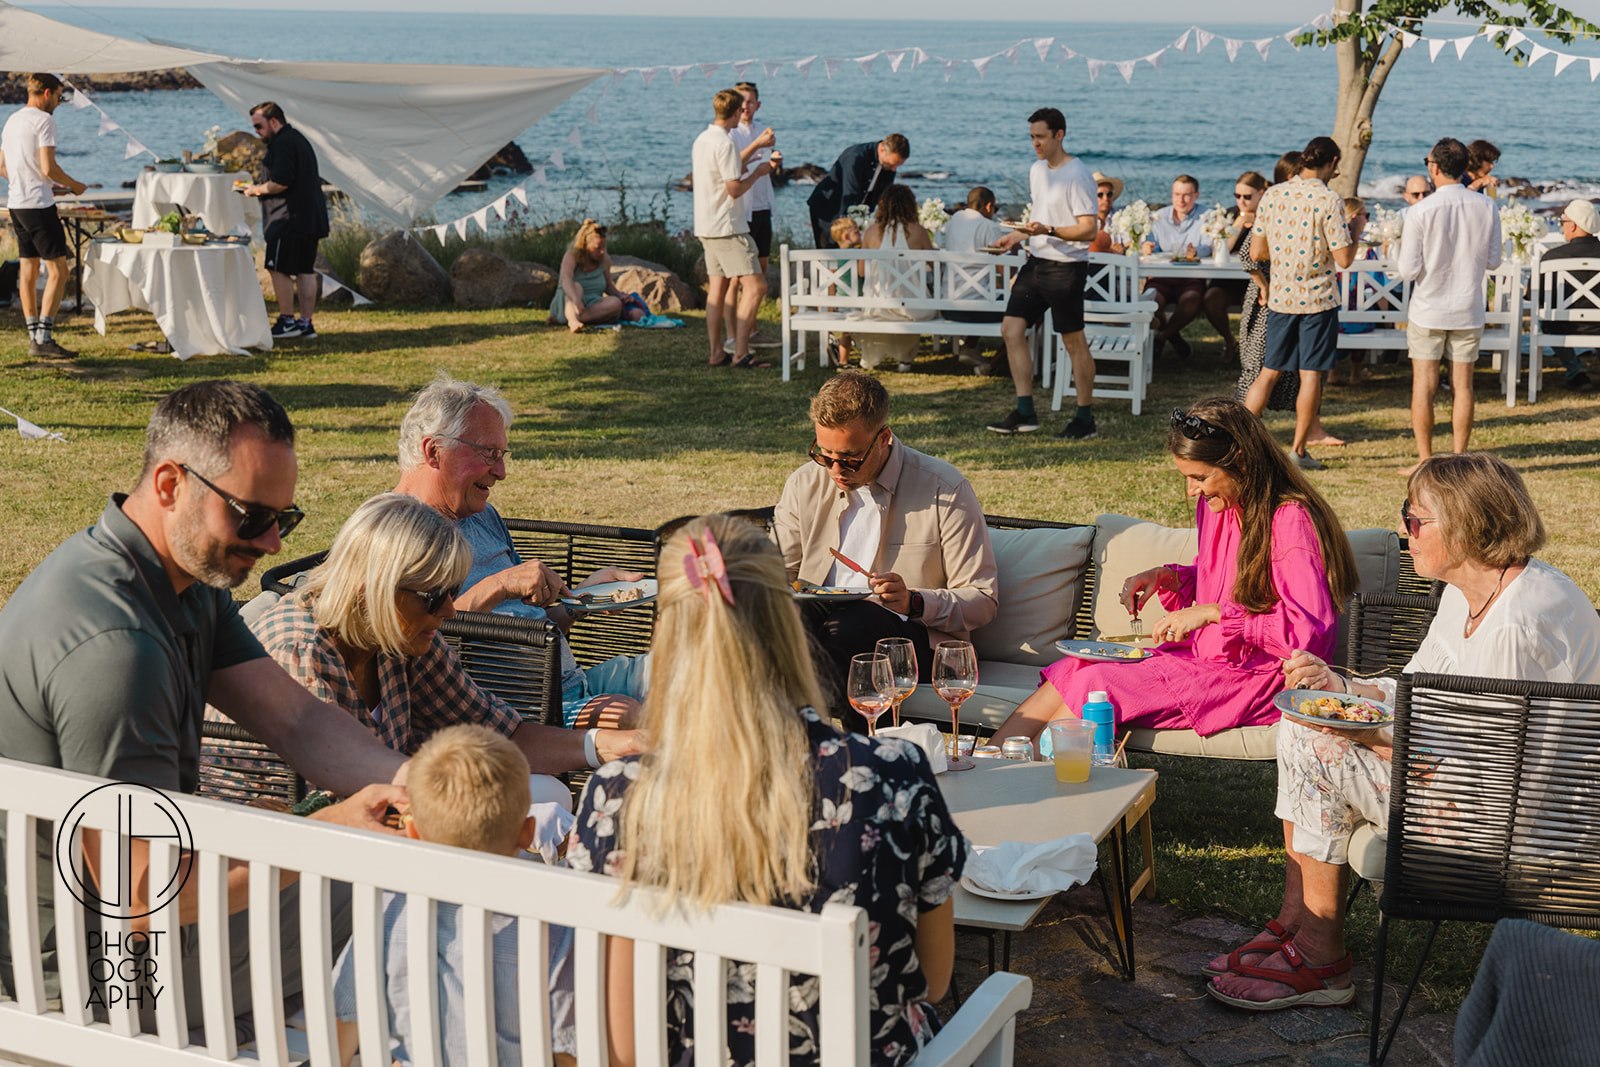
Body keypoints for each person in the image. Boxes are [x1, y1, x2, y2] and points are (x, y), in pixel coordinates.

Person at [0, 380, 408, 1029]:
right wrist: (332, 835)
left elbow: (296, 718)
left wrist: (421, 787)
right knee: (402, 890)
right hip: (96, 981)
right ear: (170, 484)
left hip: (120, 936)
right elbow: (141, 894)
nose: (273, 543)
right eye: (253, 517)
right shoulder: (117, 649)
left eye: (285, 519)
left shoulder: (181, 580)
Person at [567, 513, 967, 1066]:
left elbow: (622, 1044)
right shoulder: (892, 778)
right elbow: (934, 979)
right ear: (788, 624)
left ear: (669, 636)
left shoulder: (616, 800)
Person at [1206, 453, 1600, 1012]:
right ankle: (1303, 928)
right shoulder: (1472, 590)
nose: (1403, 531)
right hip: (1477, 787)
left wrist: (1365, 735)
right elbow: (1421, 691)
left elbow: (1483, 761)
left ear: (1465, 525)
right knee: (1306, 722)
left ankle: (1318, 948)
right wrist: (1341, 686)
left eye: (1415, 520)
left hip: (1517, 824)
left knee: (1312, 740)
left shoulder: (1519, 619)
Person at [989, 397, 1356, 745]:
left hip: (1261, 677)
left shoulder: (1290, 519)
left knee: (1099, 682)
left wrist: (1213, 614)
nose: (1193, 490)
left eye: (1200, 477)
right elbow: (1234, 582)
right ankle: (989, 766)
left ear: (1240, 461)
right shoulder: (1221, 506)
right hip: (1208, 661)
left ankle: (1026, 781)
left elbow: (1307, 634)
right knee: (1077, 667)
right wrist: (1170, 577)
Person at [232, 493, 596, 807]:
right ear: (373, 591)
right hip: (279, 849)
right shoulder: (301, 652)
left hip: (379, 810)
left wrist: (603, 746)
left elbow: (498, 732)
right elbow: (339, 803)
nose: (451, 609)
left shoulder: (399, 631)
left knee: (546, 794)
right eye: (436, 595)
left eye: (453, 590)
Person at [391, 375, 649, 737]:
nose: (501, 472)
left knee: (705, 667)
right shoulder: (394, 532)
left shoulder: (480, 515)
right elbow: (410, 646)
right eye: (488, 453)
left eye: (502, 455)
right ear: (434, 451)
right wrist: (499, 585)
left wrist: (581, 600)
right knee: (629, 717)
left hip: (572, 686)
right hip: (518, 713)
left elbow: (530, 627)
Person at [333, 724, 577, 1066]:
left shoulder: (388, 913)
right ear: (527, 832)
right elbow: (567, 1052)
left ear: (413, 831)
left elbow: (342, 1028)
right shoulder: (553, 930)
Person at [774, 371, 998, 729]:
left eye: (849, 459)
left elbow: (983, 600)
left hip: (913, 639)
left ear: (884, 438)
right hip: (825, 626)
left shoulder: (943, 488)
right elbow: (779, 571)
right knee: (786, 619)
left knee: (850, 625)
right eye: (823, 455)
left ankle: (826, 743)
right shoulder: (805, 482)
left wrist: (914, 601)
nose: (835, 470)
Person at [985, 106, 1100, 439]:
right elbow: (1038, 219)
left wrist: (1047, 228)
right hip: (1036, 264)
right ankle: (1025, 411)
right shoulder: (1037, 170)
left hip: (1066, 268)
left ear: (1059, 135)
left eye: (1040, 137)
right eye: (1032, 137)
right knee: (1011, 329)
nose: (1034, 143)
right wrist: (1016, 236)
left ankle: (1084, 418)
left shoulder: (1077, 174)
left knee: (1073, 341)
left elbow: (1088, 230)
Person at [1243, 136, 1356, 471]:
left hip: (1281, 297)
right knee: (1310, 376)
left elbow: (1256, 253)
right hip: (1318, 299)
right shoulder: (1329, 200)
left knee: (1268, 373)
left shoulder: (1274, 194)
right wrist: (1357, 230)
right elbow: (1344, 259)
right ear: (1332, 162)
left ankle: (1238, 440)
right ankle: (1299, 449)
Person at [1394, 137, 1501, 475]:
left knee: (1423, 385)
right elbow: (1495, 261)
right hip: (1467, 306)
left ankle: (1425, 459)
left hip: (1429, 307)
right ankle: (1460, 457)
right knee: (1464, 385)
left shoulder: (1420, 211)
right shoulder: (1486, 206)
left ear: (1435, 168)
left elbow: (1408, 270)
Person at [0, 72, 87, 358]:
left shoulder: (13, 120)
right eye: (60, 96)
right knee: (58, 271)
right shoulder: (44, 120)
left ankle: (34, 335)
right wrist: (74, 186)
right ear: (47, 93)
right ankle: (44, 338)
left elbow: (3, 166)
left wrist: (31, 182)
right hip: (38, 205)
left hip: (17, 202)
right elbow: (49, 167)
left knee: (28, 269)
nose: (60, 103)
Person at [692, 88, 779, 369]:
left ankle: (717, 352)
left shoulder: (703, 140)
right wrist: (759, 172)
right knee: (756, 286)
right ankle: (741, 353)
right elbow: (733, 188)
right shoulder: (726, 143)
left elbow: (723, 169)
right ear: (733, 112)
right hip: (729, 226)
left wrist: (751, 160)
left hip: (706, 224)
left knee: (716, 289)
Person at [244, 102, 330, 341]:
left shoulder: (282, 144)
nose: (257, 132)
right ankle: (305, 323)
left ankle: (287, 320)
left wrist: (255, 190)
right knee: (305, 270)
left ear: (274, 121)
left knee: (277, 268)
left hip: (288, 219)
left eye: (259, 126)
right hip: (310, 218)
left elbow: (281, 181)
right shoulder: (297, 139)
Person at [1143, 174, 1235, 359]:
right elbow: (1153, 247)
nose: (1181, 200)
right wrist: (1147, 247)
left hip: (1191, 277)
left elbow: (1210, 246)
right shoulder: (1159, 217)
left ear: (1196, 195)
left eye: (1186, 195)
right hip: (1162, 276)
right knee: (1152, 303)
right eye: (1177, 194)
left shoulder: (1207, 216)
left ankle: (1162, 337)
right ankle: (1173, 336)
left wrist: (1197, 251)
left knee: (1191, 301)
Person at [856, 184, 935, 372]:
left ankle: (870, 357)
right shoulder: (919, 231)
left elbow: (861, 272)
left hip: (876, 306)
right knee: (916, 300)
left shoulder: (870, 232)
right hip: (913, 308)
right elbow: (934, 266)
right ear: (910, 205)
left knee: (882, 305)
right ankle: (905, 359)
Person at [1535, 198, 1600, 392]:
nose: (1561, 227)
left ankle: (1576, 373)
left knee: (1546, 321)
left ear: (1573, 226)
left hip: (1563, 326)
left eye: (1562, 222)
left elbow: (1534, 297)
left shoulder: (1551, 258)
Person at [941, 185, 1008, 368]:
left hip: (948, 306)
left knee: (980, 292)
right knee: (1018, 307)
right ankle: (993, 364)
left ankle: (969, 347)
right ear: (988, 207)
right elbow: (1004, 269)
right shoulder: (989, 226)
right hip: (976, 310)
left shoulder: (953, 221)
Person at [806, 133, 908, 249]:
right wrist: (852, 224)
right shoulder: (855, 157)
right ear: (882, 149)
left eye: (898, 165)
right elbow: (850, 193)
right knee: (830, 253)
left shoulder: (889, 167)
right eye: (892, 164)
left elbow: (884, 196)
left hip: (856, 210)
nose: (894, 169)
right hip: (828, 207)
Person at [548, 218, 647, 333]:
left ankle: (580, 318)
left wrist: (621, 295)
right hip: (569, 300)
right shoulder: (572, 256)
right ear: (585, 245)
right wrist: (576, 300)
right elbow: (566, 280)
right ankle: (572, 320)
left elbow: (608, 286)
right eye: (597, 248)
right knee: (576, 287)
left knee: (615, 303)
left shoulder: (605, 259)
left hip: (592, 305)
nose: (602, 251)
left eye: (604, 247)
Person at [1332, 196, 1380, 386]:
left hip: (1333, 320)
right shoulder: (1367, 250)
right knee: (1364, 312)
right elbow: (1377, 285)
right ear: (1354, 217)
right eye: (1365, 215)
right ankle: (1355, 373)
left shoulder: (1332, 247)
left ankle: (1332, 373)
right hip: (1361, 320)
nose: (1367, 219)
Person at [1089, 170, 1125, 254]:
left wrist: (1122, 248)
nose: (1106, 198)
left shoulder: (1122, 216)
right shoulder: (1085, 219)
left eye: (1109, 194)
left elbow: (1130, 242)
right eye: (1100, 195)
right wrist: (1109, 250)